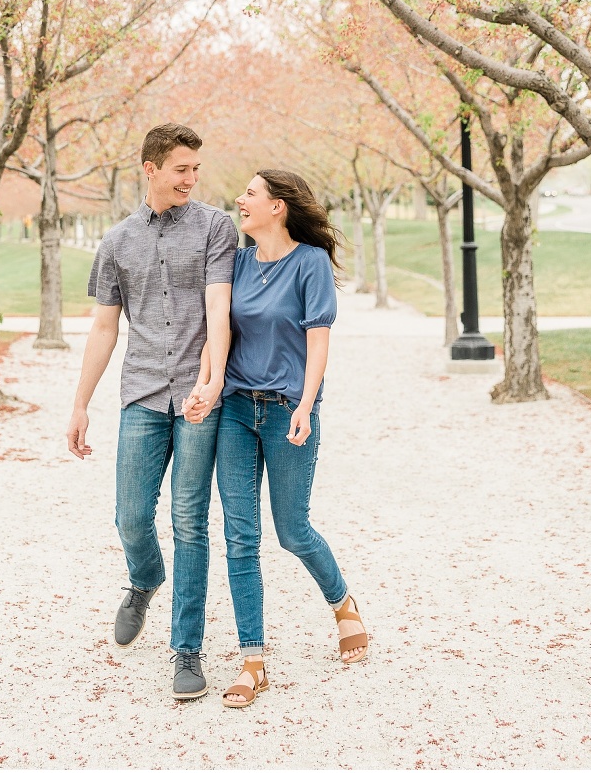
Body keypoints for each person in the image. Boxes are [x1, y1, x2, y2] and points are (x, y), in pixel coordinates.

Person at [183, 169, 368, 708]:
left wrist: (307, 406)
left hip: (289, 410)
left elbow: (318, 343)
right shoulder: (236, 264)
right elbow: (219, 334)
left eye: (251, 194)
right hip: (238, 411)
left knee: (292, 530)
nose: (240, 199)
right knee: (241, 537)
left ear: (279, 207)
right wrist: (203, 387)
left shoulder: (309, 264)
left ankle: (343, 605)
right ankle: (253, 660)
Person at [66, 123, 237, 700]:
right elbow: (105, 326)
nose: (192, 178)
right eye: (182, 168)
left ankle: (186, 652)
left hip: (198, 399)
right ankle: (144, 579)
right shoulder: (116, 241)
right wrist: (80, 403)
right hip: (140, 393)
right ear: (151, 169)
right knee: (131, 517)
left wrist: (209, 383)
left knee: (189, 523)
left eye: (195, 168)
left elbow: (221, 309)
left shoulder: (216, 226)